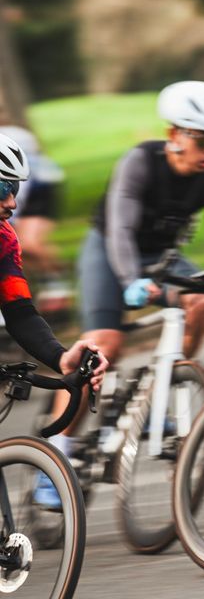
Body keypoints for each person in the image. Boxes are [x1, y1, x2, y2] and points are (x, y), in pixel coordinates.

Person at [36, 82, 204, 508]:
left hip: (160, 257)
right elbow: (121, 231)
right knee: (103, 347)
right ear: (175, 135)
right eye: (203, 139)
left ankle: (168, 380)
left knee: (199, 299)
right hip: (110, 253)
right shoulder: (139, 163)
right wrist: (129, 279)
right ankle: (56, 461)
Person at [0, 134, 111, 506]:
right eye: (2, 187)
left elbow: (19, 312)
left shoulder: (4, 240)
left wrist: (61, 358)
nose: (12, 202)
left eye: (14, 188)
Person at [0, 125, 70, 314]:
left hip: (39, 186)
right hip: (21, 188)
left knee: (29, 243)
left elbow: (17, 185)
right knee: (18, 246)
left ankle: (58, 285)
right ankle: (46, 285)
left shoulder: (13, 134)